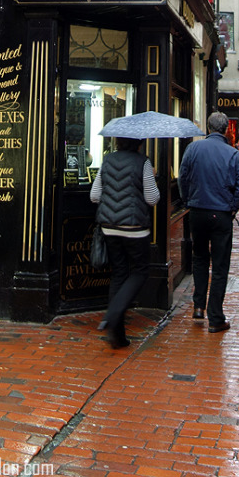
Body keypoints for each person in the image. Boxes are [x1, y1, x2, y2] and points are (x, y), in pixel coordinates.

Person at [178, 111, 239, 333]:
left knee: (199, 258)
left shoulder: (193, 149)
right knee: (220, 265)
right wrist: (232, 207)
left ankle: (198, 306)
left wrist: (188, 200)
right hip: (221, 214)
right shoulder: (233, 154)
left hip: (197, 211)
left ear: (208, 128)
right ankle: (215, 317)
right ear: (226, 128)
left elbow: (183, 177)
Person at [90, 137, 159, 349]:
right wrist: (153, 177)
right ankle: (114, 312)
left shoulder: (107, 160)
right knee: (139, 272)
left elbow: (94, 196)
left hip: (109, 227)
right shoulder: (143, 162)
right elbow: (152, 198)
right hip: (135, 228)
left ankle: (117, 336)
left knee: (119, 273)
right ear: (138, 143)